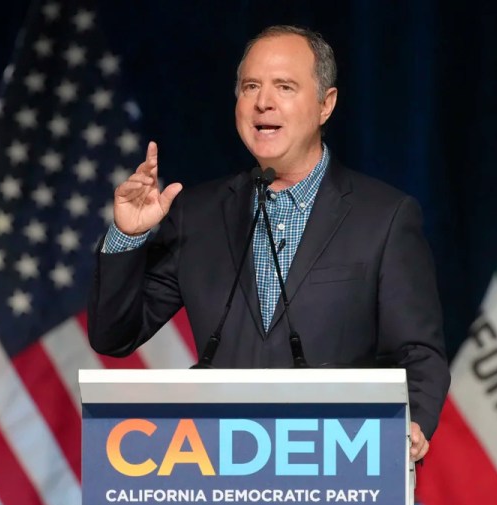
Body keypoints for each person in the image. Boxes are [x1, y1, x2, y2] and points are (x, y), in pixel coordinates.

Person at [88, 25, 449, 461]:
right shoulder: (196, 214)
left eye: (285, 86)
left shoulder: (385, 217)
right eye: (251, 86)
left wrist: (413, 423)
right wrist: (129, 235)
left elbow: (418, 352)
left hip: (337, 471)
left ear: (325, 105)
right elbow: (114, 336)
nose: (263, 102)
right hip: (218, 474)